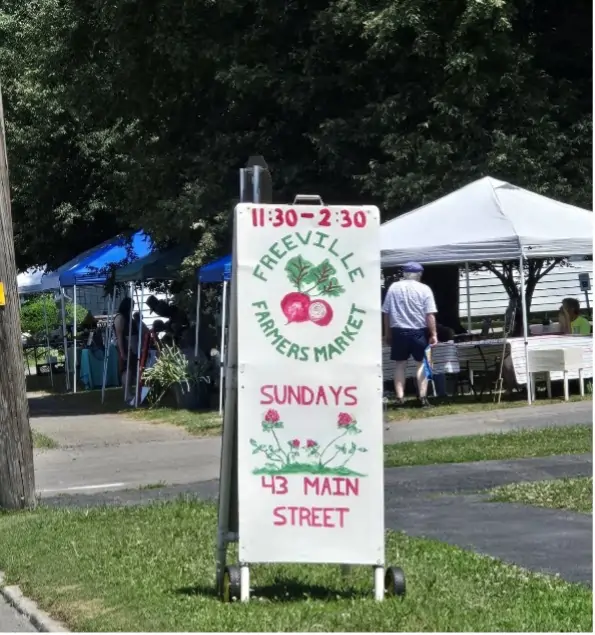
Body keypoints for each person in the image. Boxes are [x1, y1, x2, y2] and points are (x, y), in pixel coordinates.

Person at [382, 262, 438, 408]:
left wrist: (387, 333)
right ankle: (423, 398)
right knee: (422, 364)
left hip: (398, 330)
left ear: (404, 273)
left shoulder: (394, 288)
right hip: (418, 330)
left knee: (400, 364)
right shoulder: (425, 289)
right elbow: (429, 314)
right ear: (419, 274)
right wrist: (433, 334)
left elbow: (386, 313)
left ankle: (400, 398)